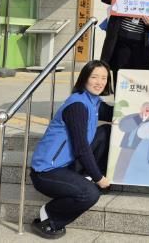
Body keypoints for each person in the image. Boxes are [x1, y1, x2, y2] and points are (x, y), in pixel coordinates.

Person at [30, 60, 114, 239]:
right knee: (89, 194)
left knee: (106, 131)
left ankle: (85, 177)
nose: (99, 82)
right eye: (94, 77)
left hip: (67, 164)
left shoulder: (94, 102)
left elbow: (115, 113)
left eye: (104, 78)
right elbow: (81, 148)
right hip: (47, 171)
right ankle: (50, 216)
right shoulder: (77, 106)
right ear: (84, 78)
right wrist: (99, 178)